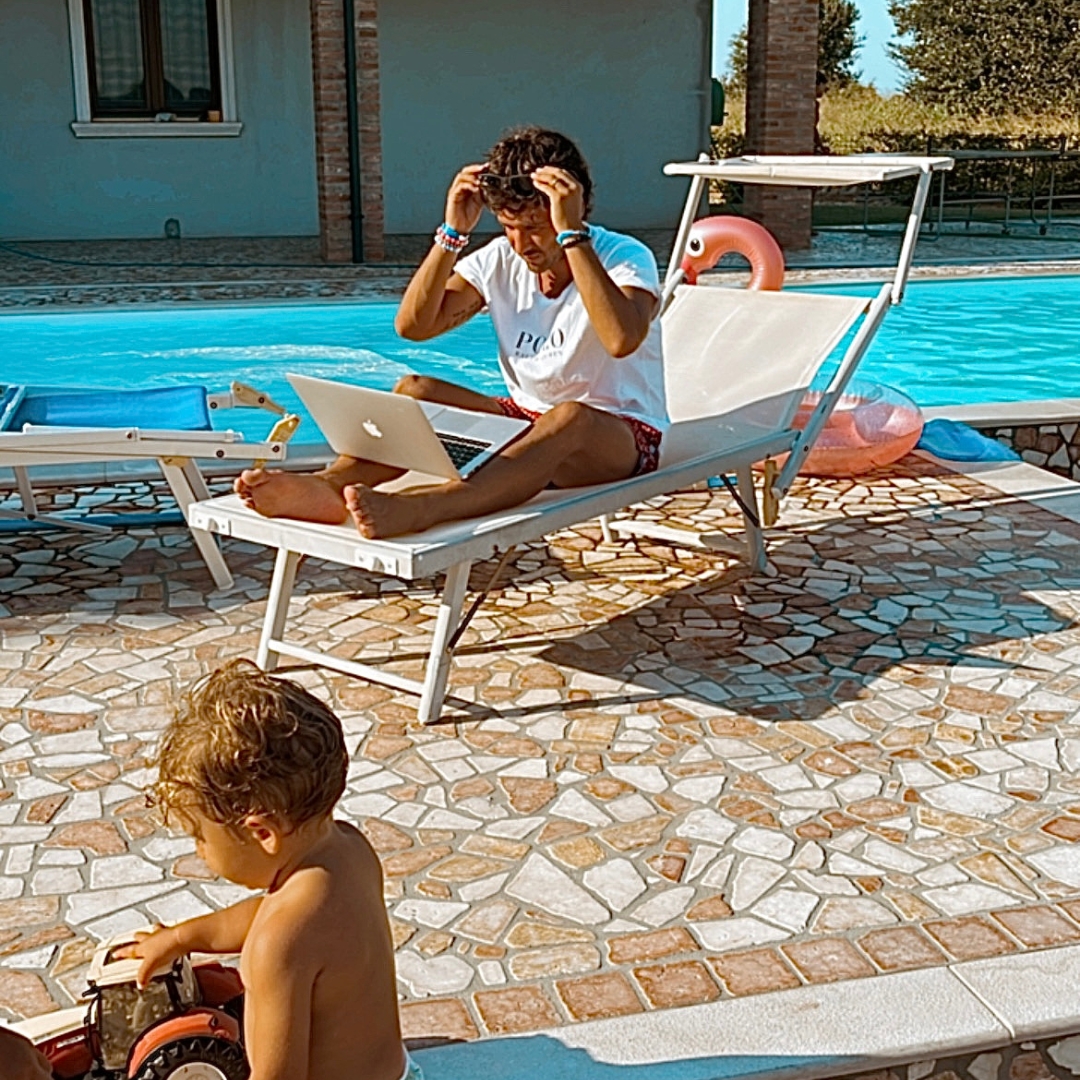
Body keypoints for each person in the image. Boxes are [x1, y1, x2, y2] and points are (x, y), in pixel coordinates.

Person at [236, 125, 668, 539]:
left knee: (570, 416)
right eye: (509, 227)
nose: (522, 245)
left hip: (620, 438)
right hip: (526, 420)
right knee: (415, 391)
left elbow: (621, 339)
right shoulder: (501, 258)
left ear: (573, 209)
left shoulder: (623, 256)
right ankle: (330, 485)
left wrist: (572, 238)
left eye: (536, 228)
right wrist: (453, 233)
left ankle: (425, 507)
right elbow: (413, 326)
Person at [116, 660, 418, 1080]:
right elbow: (267, 916)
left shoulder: (277, 947)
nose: (199, 851)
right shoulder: (350, 850)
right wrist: (183, 937)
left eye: (200, 836)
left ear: (261, 832)